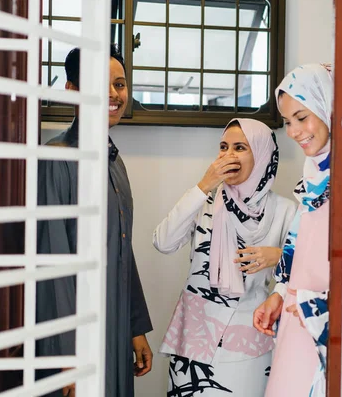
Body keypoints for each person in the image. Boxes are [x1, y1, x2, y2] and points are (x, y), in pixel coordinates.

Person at [36, 45, 153, 397]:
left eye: (119, 84)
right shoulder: (57, 160)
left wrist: (135, 327)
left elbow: (122, 250)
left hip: (115, 325)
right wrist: (66, 354)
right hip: (75, 336)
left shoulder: (114, 162)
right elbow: (52, 262)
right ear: (72, 91)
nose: (113, 94)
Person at [153, 118, 296, 396]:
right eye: (223, 146)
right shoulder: (203, 202)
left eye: (240, 147)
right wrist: (203, 185)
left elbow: (306, 270)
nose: (228, 154)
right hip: (193, 340)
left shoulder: (285, 211)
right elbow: (163, 242)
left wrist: (279, 256)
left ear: (262, 154)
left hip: (249, 341)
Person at [253, 64, 333, 397]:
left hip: (325, 327)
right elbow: (296, 245)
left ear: (328, 106)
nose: (295, 131)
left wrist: (314, 307)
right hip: (296, 322)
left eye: (302, 117)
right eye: (288, 122)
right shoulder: (313, 175)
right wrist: (279, 293)